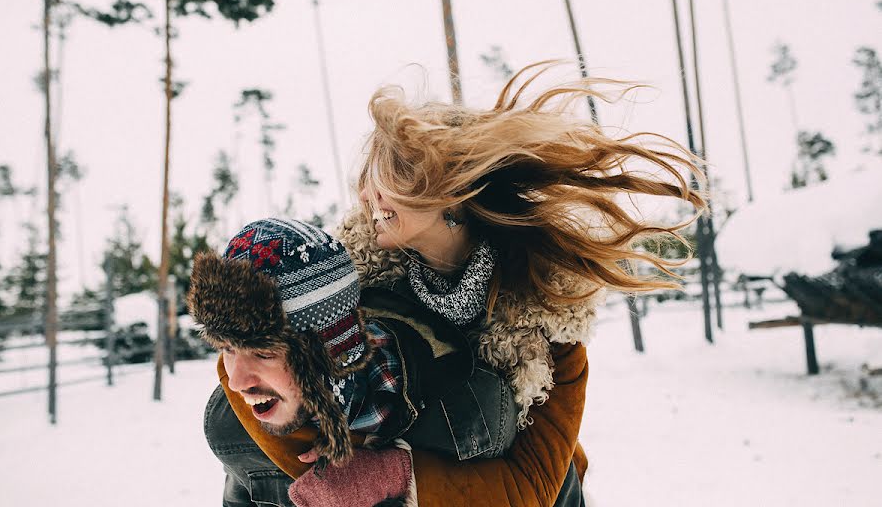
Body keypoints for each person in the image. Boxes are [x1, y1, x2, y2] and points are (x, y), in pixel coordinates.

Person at [203, 61, 707, 506]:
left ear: (452, 195)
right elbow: (247, 367)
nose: (365, 194)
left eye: (387, 178)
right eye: (367, 178)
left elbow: (531, 485)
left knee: (483, 409)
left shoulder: (549, 318)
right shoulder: (343, 278)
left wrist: (400, 475)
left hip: (532, 495)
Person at [191, 217, 519, 507]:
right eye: (227, 348)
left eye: (263, 352)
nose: (236, 382)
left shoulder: (471, 412)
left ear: (332, 348)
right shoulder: (230, 423)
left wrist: (404, 480)